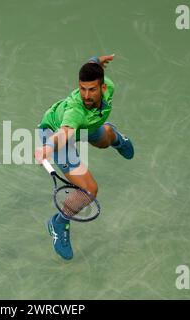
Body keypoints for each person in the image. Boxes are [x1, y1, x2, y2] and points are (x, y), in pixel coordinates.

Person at [34, 54, 134, 260]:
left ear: (103, 88)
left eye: (92, 89)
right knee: (89, 189)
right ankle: (59, 222)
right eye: (82, 89)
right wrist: (48, 146)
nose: (86, 95)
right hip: (55, 133)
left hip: (90, 124)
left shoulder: (110, 87)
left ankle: (115, 138)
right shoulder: (75, 110)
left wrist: (96, 60)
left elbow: (92, 65)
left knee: (104, 138)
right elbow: (65, 133)